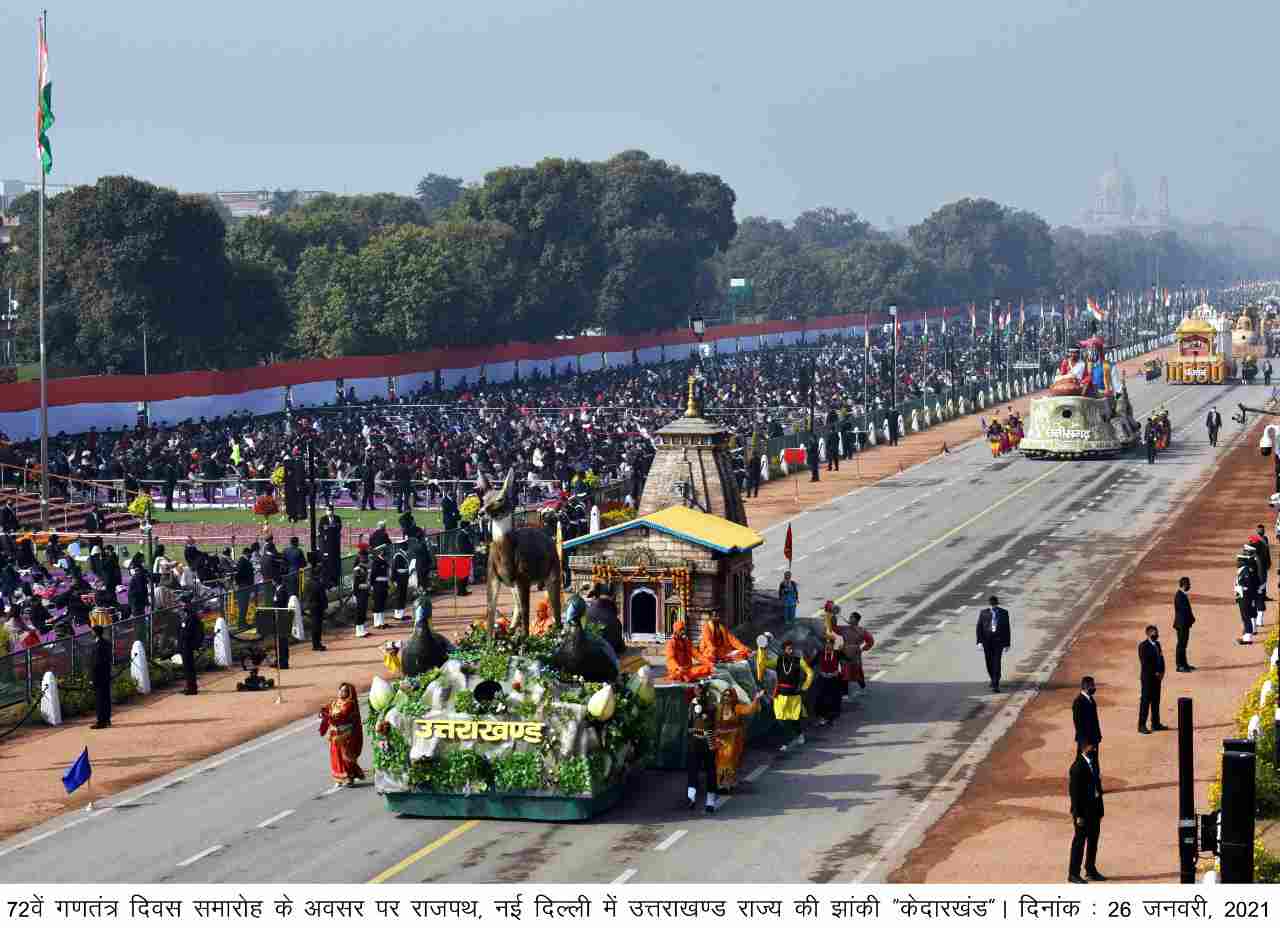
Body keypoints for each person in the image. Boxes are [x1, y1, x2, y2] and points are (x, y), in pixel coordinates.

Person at [1067, 738, 1106, 884]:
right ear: (1083, 748)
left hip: (1095, 809)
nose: (1094, 748)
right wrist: (1078, 815)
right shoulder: (1077, 768)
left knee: (1093, 840)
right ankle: (1073, 874)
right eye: (1091, 746)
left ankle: (1090, 869)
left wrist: (1101, 809)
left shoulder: (1093, 763)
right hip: (1083, 812)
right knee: (1079, 842)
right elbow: (1075, 794)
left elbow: (1097, 787)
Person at [764, 638, 813, 752]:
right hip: (780, 695)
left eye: (792, 649)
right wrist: (762, 649)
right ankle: (785, 742)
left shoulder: (799, 660)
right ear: (784, 650)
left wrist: (805, 687)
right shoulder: (778, 660)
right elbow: (764, 664)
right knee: (781, 719)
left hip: (794, 695)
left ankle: (799, 734)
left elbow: (810, 673)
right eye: (788, 649)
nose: (790, 651)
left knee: (794, 719)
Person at [714, 686, 761, 793]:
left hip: (734, 740)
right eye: (725, 695)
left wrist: (756, 699)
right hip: (720, 739)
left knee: (730, 762)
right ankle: (719, 784)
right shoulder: (718, 708)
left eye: (729, 695)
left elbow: (749, 709)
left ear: (733, 697)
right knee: (719, 762)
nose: (726, 697)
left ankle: (727, 784)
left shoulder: (737, 708)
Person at [320, 682, 365, 787]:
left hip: (345, 736)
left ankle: (349, 777)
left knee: (346, 757)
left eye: (344, 691)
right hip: (334, 734)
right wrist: (323, 712)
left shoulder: (349, 704)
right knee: (336, 757)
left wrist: (330, 716)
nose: (341, 692)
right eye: (340, 690)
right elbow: (327, 710)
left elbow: (342, 716)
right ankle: (339, 778)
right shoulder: (334, 703)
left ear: (348, 693)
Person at [686, 680, 720, 813]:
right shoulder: (692, 703)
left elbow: (713, 723)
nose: (698, 691)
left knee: (710, 770)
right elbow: (690, 723)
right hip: (695, 739)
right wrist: (692, 732)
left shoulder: (712, 704)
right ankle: (691, 797)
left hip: (709, 738)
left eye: (700, 689)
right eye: (696, 689)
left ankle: (710, 801)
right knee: (693, 769)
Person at [976, 595, 1011, 693]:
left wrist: (1007, 643)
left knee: (996, 662)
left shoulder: (1004, 613)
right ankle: (993, 678)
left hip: (998, 641)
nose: (993, 606)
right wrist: (979, 642)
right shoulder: (983, 613)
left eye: (994, 604)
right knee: (989, 662)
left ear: (997, 604)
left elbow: (1007, 628)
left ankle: (996, 684)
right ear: (989, 604)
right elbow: (979, 628)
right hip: (987, 641)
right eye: (992, 604)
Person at [1138, 624, 1167, 734]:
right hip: (1148, 679)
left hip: (1157, 678)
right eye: (1154, 633)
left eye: (1156, 632)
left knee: (1156, 701)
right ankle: (1141, 725)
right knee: (1145, 702)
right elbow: (1145, 663)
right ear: (1148, 634)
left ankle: (1155, 723)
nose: (1156, 634)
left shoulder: (1157, 644)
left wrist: (1162, 672)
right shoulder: (1143, 646)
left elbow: (1161, 658)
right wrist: (1155, 673)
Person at [1071, 675, 1101, 771]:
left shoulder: (1091, 700)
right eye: (1092, 685)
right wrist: (1085, 743)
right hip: (1086, 741)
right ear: (1086, 686)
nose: (1094, 688)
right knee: (1082, 764)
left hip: (1093, 739)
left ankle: (1095, 781)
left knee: (1094, 764)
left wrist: (1098, 736)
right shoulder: (1078, 702)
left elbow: (1095, 720)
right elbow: (1078, 724)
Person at [841, 612, 875, 695]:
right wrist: (833, 616)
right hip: (845, 653)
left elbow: (870, 640)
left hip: (855, 654)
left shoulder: (862, 630)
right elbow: (834, 627)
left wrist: (863, 648)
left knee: (857, 672)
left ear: (856, 620)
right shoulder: (844, 628)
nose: (850, 619)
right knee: (845, 673)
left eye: (852, 617)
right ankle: (845, 694)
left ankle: (863, 688)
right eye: (850, 617)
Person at [814, 635, 844, 726]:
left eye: (830, 644)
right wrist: (819, 672)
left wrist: (838, 672)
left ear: (833, 644)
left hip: (834, 679)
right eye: (826, 644)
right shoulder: (820, 653)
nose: (827, 645)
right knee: (820, 698)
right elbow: (811, 664)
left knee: (833, 698)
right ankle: (822, 717)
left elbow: (847, 662)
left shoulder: (837, 653)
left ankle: (831, 718)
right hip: (823, 679)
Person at [90, 622, 112, 729]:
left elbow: (96, 663)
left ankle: (101, 721)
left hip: (99, 675)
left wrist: (93, 677)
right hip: (106, 674)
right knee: (106, 698)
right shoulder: (107, 643)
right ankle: (107, 719)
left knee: (100, 699)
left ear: (95, 633)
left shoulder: (98, 645)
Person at [1236, 544, 1260, 645]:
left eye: (1240, 560)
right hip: (1243, 595)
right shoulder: (1243, 569)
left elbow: (1248, 584)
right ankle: (1246, 634)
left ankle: (1248, 638)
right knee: (1245, 616)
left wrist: (1243, 590)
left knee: (1246, 616)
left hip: (1245, 596)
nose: (1238, 562)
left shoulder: (1246, 570)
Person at [179, 599, 203, 696]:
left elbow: (189, 631)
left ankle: (191, 688)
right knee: (187, 667)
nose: (182, 606)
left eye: (183, 604)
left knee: (189, 667)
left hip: (188, 644)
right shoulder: (187, 615)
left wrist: (183, 635)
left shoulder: (191, 617)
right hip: (185, 644)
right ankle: (189, 686)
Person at [1173, 577, 1196, 672]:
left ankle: (1184, 664)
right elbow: (1183, 611)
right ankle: (1179, 666)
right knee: (1181, 645)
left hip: (1184, 624)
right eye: (1188, 584)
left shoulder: (1182, 595)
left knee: (1183, 645)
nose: (1189, 586)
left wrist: (1191, 619)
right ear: (1184, 585)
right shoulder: (1179, 596)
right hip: (1182, 625)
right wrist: (1191, 618)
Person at [306, 563, 328, 651]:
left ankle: (315, 644)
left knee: (314, 625)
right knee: (317, 626)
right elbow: (322, 596)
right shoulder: (318, 584)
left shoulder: (308, 583)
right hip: (318, 607)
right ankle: (317, 644)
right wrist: (325, 605)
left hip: (312, 606)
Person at [351, 546, 370, 638]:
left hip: (364, 592)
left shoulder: (364, 568)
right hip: (359, 592)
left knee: (363, 610)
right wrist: (355, 594)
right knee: (359, 611)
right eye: (364, 557)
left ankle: (362, 629)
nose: (366, 558)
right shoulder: (357, 569)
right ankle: (358, 631)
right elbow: (356, 584)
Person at [370, 547, 390, 630]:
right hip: (377, 585)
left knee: (382, 603)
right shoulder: (376, 562)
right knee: (377, 604)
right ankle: (376, 623)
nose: (386, 557)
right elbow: (373, 575)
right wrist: (372, 585)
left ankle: (381, 622)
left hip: (384, 585)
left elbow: (386, 574)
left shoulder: (384, 562)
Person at [392, 545, 411, 620]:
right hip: (399, 578)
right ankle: (397, 614)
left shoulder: (403, 555)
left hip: (404, 578)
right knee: (399, 596)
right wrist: (394, 580)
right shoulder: (398, 555)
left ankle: (401, 614)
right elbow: (394, 568)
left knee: (403, 596)